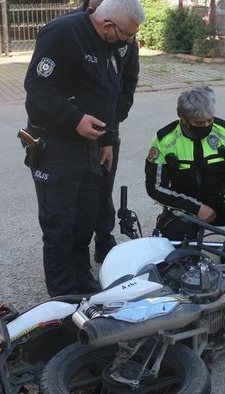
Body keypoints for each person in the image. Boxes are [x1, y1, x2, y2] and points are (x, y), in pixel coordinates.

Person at [23, 0, 145, 297]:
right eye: (127, 36)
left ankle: (83, 282)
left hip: (92, 146)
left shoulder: (109, 43)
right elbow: (37, 86)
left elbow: (107, 93)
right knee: (59, 226)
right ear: (108, 26)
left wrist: (107, 139)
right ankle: (63, 296)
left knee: (84, 221)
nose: (129, 42)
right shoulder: (63, 33)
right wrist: (74, 119)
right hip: (57, 147)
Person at [145, 86, 225, 240]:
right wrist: (196, 208)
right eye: (198, 123)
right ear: (182, 117)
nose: (206, 126)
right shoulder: (164, 140)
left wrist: (224, 203)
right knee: (176, 244)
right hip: (186, 210)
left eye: (210, 120)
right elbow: (155, 187)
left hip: (223, 205)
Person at [79, 0, 141, 263]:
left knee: (103, 188)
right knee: (79, 194)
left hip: (108, 129)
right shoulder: (73, 30)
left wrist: (113, 122)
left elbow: (128, 82)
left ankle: (104, 240)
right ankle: (76, 253)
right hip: (74, 130)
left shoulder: (125, 36)